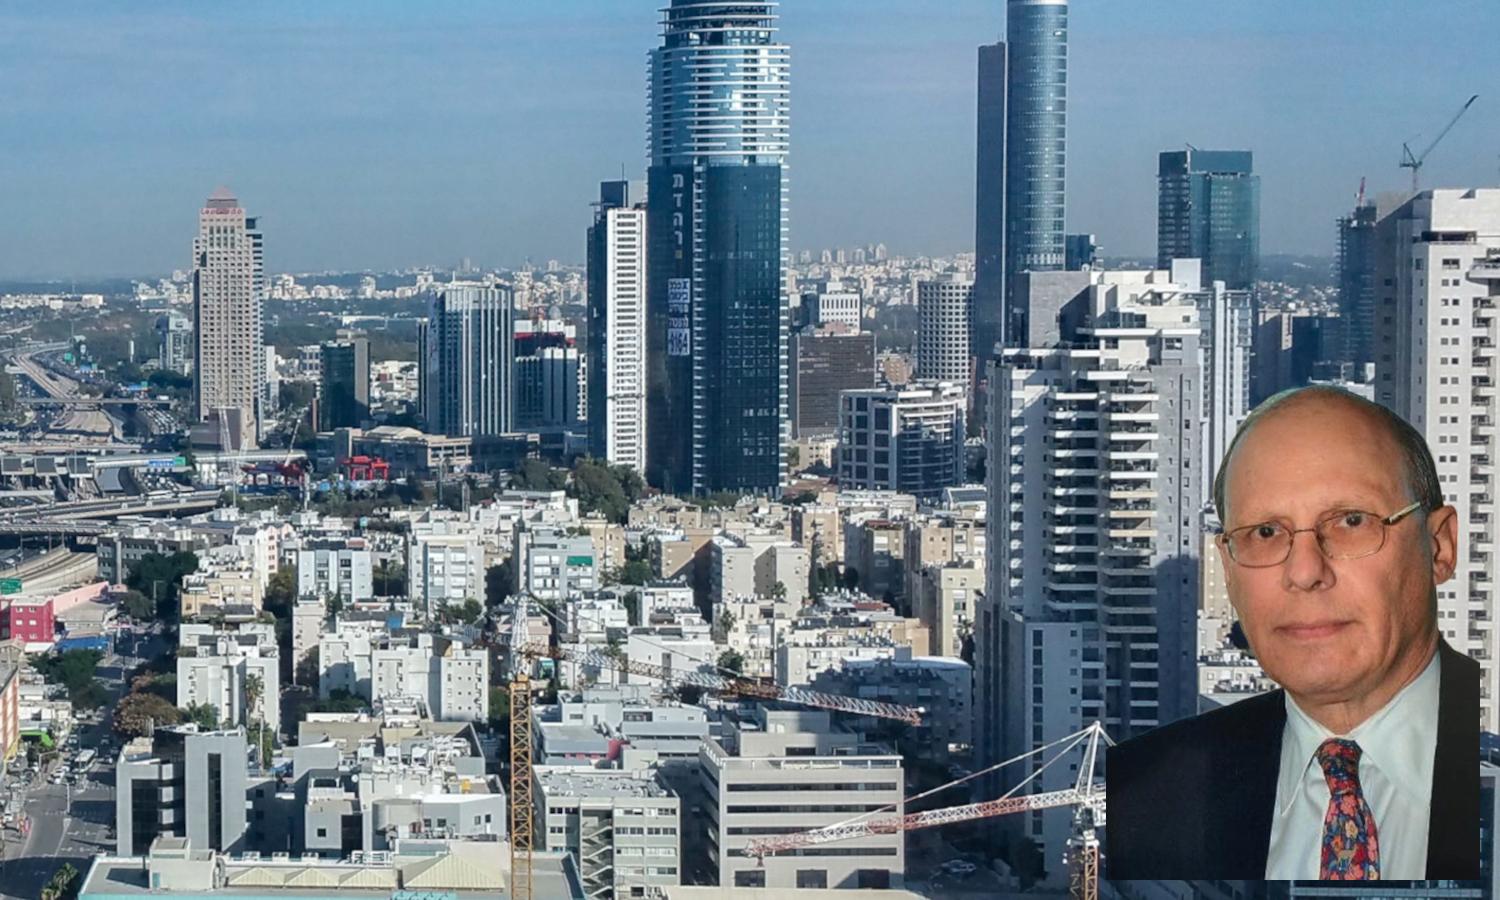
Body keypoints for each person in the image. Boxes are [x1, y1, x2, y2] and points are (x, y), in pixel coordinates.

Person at [1105, 386, 1479, 880]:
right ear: (1229, 568)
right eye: (1265, 533)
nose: (1304, 572)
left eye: (1351, 521)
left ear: (1439, 547)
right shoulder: (1147, 794)